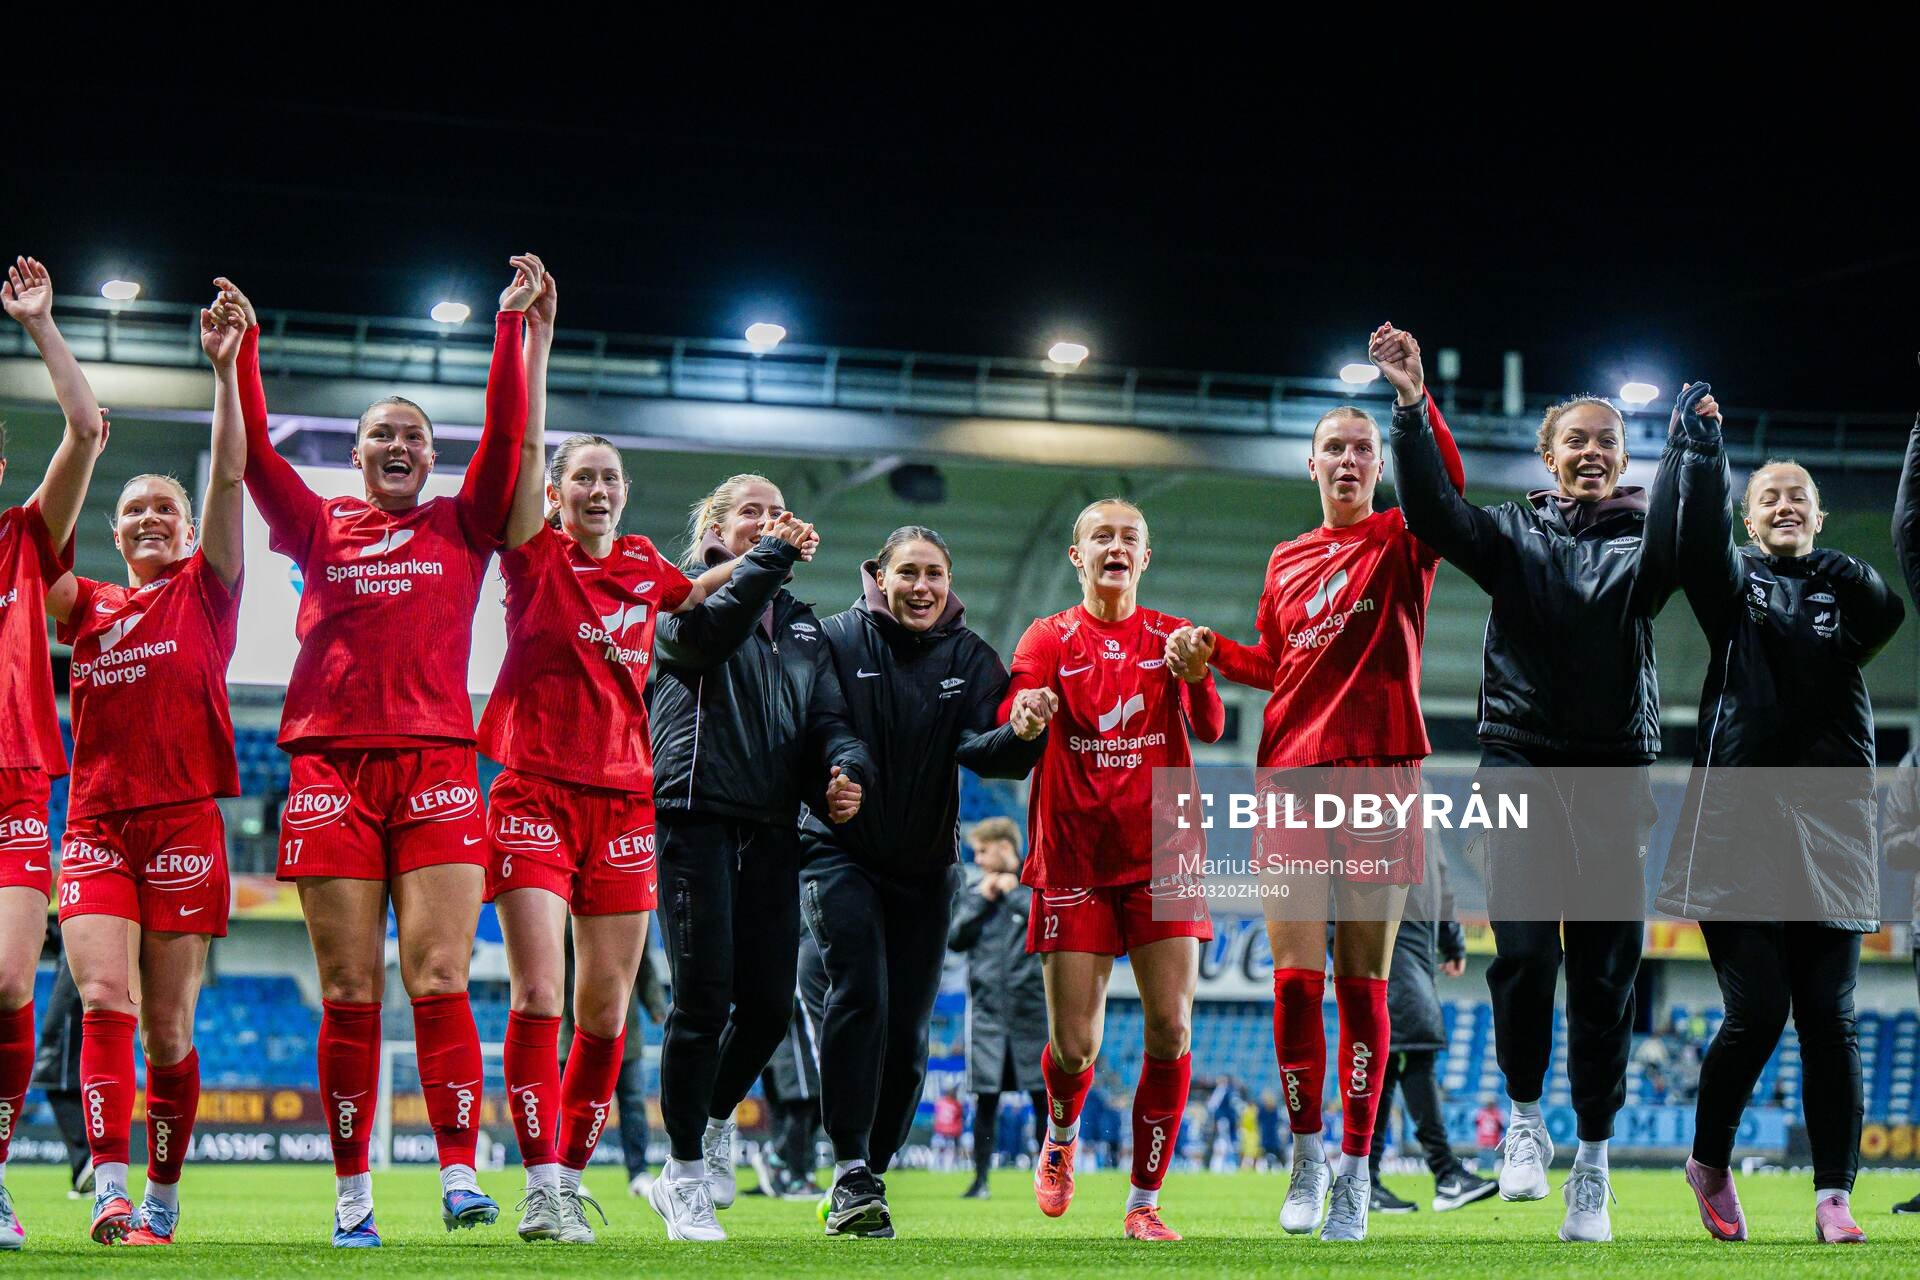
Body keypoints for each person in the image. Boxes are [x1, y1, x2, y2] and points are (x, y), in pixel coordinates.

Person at [231, 258, 543, 1245]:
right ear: (358, 455)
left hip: (442, 765)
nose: (398, 443)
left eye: (412, 434)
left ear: (430, 455)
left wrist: (509, 330)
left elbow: (505, 436)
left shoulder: (466, 521)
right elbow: (252, 463)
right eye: (381, 434)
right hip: (328, 770)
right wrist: (241, 356)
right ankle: (353, 1194)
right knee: (350, 985)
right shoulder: (317, 525)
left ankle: (459, 1174)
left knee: (441, 975)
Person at [1166, 323, 1463, 1241]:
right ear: (1310, 465)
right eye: (1333, 447)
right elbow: (1276, 666)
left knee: (1362, 985)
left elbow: (1444, 483)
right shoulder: (1286, 560)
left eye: (1361, 448)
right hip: (1290, 777)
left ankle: (1356, 1174)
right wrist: (1209, 656)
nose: (1347, 458)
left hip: (1380, 776)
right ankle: (1304, 1158)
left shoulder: (1405, 537)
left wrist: (1412, 399)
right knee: (1295, 982)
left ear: (1377, 465)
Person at [1387, 334, 1686, 1243]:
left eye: (1608, 442)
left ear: (1624, 461)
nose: (1592, 452)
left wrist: (1696, 455)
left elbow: (1696, 539)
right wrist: (1409, 408)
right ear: (1549, 458)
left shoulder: (1649, 539)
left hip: (1613, 770)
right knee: (1523, 952)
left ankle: (1590, 1168)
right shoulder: (1511, 532)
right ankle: (1524, 1119)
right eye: (1576, 441)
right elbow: (1434, 513)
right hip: (1516, 755)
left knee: (1605, 973)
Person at [478, 277, 743, 1245]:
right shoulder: (529, 550)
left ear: (625, 493)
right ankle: (541, 1183)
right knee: (540, 992)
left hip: (628, 803)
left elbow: (696, 589)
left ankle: (573, 1176)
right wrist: (530, 344)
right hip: (533, 791)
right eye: (580, 476)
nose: (596, 488)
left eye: (609, 476)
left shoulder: (640, 563)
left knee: (604, 1009)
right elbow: (511, 451)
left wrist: (762, 557)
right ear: (555, 491)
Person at [1653, 389, 1900, 1245]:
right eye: (1770, 498)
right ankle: (1709, 1160)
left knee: (1829, 1020)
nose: (1786, 504)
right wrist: (1705, 452)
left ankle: (1836, 1195)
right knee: (1757, 1012)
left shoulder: (1841, 593)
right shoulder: (1733, 590)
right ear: (1751, 522)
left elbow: (1890, 613)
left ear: (1819, 516)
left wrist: (1853, 573)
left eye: (1799, 495)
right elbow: (1694, 551)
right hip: (1737, 827)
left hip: (1832, 830)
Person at [43, 294, 248, 1245]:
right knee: (102, 998)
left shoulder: (208, 593)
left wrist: (223, 373)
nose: (153, 517)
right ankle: (112, 1189)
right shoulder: (84, 606)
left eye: (166, 506)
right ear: (117, 535)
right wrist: (48, 333)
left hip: (182, 826)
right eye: (135, 512)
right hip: (94, 826)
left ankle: (163, 1197)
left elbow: (230, 478)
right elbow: (35, 541)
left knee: (170, 1033)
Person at [645, 473, 871, 1243]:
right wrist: (770, 557)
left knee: (771, 1008)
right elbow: (709, 635)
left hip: (773, 826)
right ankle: (681, 1178)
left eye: (776, 514)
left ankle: (711, 1123)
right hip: (693, 812)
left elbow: (825, 724)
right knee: (703, 1000)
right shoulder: (679, 594)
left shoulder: (804, 628)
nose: (768, 523)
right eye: (751, 513)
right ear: (716, 522)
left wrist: (839, 777)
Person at [801, 525, 1043, 1238]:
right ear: (879, 573)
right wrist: (842, 777)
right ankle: (847, 1167)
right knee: (862, 996)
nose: (922, 587)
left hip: (927, 869)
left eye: (934, 574)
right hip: (838, 852)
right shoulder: (837, 639)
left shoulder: (968, 656)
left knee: (908, 1034)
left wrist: (1025, 730)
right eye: (908, 572)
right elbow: (822, 726)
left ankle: (868, 1170)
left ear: (948, 580)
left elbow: (986, 748)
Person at [1003, 496, 1225, 1242]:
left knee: (1171, 1027)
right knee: (1077, 1046)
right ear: (1078, 556)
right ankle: (1060, 1137)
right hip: (1073, 856)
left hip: (1164, 851)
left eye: (1130, 537)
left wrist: (1195, 675)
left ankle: (1143, 1203)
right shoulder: (1049, 636)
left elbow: (1215, 724)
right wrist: (1027, 713)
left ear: (1146, 557)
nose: (1116, 545)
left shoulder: (1171, 636)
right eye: (1102, 535)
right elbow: (1017, 701)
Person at [0, 255, 108, 1253]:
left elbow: (87, 430)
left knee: (3, 982)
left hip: (17, 785)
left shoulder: (26, 539)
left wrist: (41, 327)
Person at [1367, 841, 1496, 1215]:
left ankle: (1365, 1179)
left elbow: (1438, 876)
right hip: (1391, 946)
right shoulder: (1394, 797)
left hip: (1408, 946)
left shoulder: (1409, 798)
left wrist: (1452, 939)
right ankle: (1442, 1174)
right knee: (1407, 1055)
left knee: (1391, 1063)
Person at [949, 816, 1049, 1199]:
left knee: (1043, 1097)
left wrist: (1011, 894)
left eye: (983, 851)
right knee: (985, 1098)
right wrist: (983, 900)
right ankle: (980, 1180)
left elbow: (1046, 926)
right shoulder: (976, 892)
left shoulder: (1033, 888)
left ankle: (1047, 1179)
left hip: (1032, 1011)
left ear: (1005, 848)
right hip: (987, 1015)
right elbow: (955, 938)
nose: (978, 858)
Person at [30, 923, 92, 1199]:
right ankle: (89, 1164)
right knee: (64, 1082)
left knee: (58, 1079)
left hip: (74, 990)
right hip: (75, 969)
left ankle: (89, 1162)